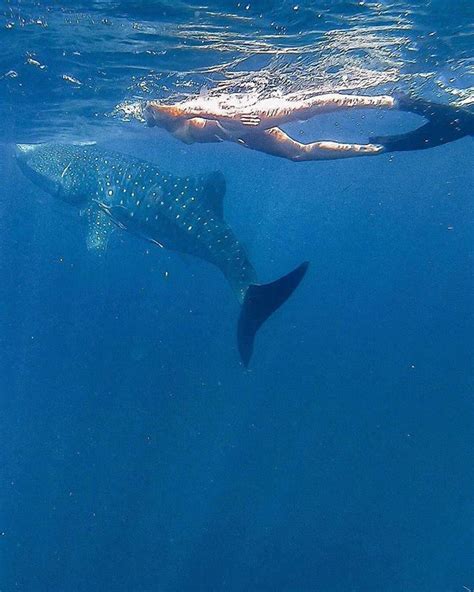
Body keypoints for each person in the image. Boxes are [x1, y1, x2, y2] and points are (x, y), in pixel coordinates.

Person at [143, 92, 473, 162]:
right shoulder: (177, 126)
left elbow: (196, 109)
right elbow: (195, 111)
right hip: (243, 128)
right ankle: (376, 145)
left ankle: (388, 103)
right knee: (298, 151)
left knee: (307, 111)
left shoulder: (177, 124)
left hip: (242, 122)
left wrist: (228, 122)